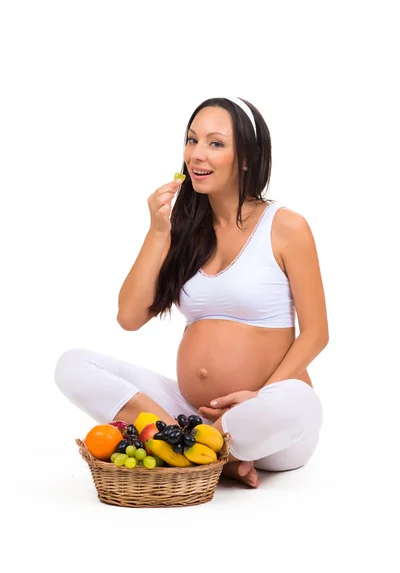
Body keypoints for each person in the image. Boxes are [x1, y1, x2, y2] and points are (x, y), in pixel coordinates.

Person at [54, 96, 329, 488]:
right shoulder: (182, 229)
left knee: (296, 403)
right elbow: (129, 317)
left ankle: (200, 451)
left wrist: (259, 394)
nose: (196, 155)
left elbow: (317, 333)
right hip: (189, 414)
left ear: (247, 157)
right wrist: (158, 231)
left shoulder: (286, 227)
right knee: (73, 365)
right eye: (191, 140)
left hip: (266, 415)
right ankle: (200, 450)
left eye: (215, 143)